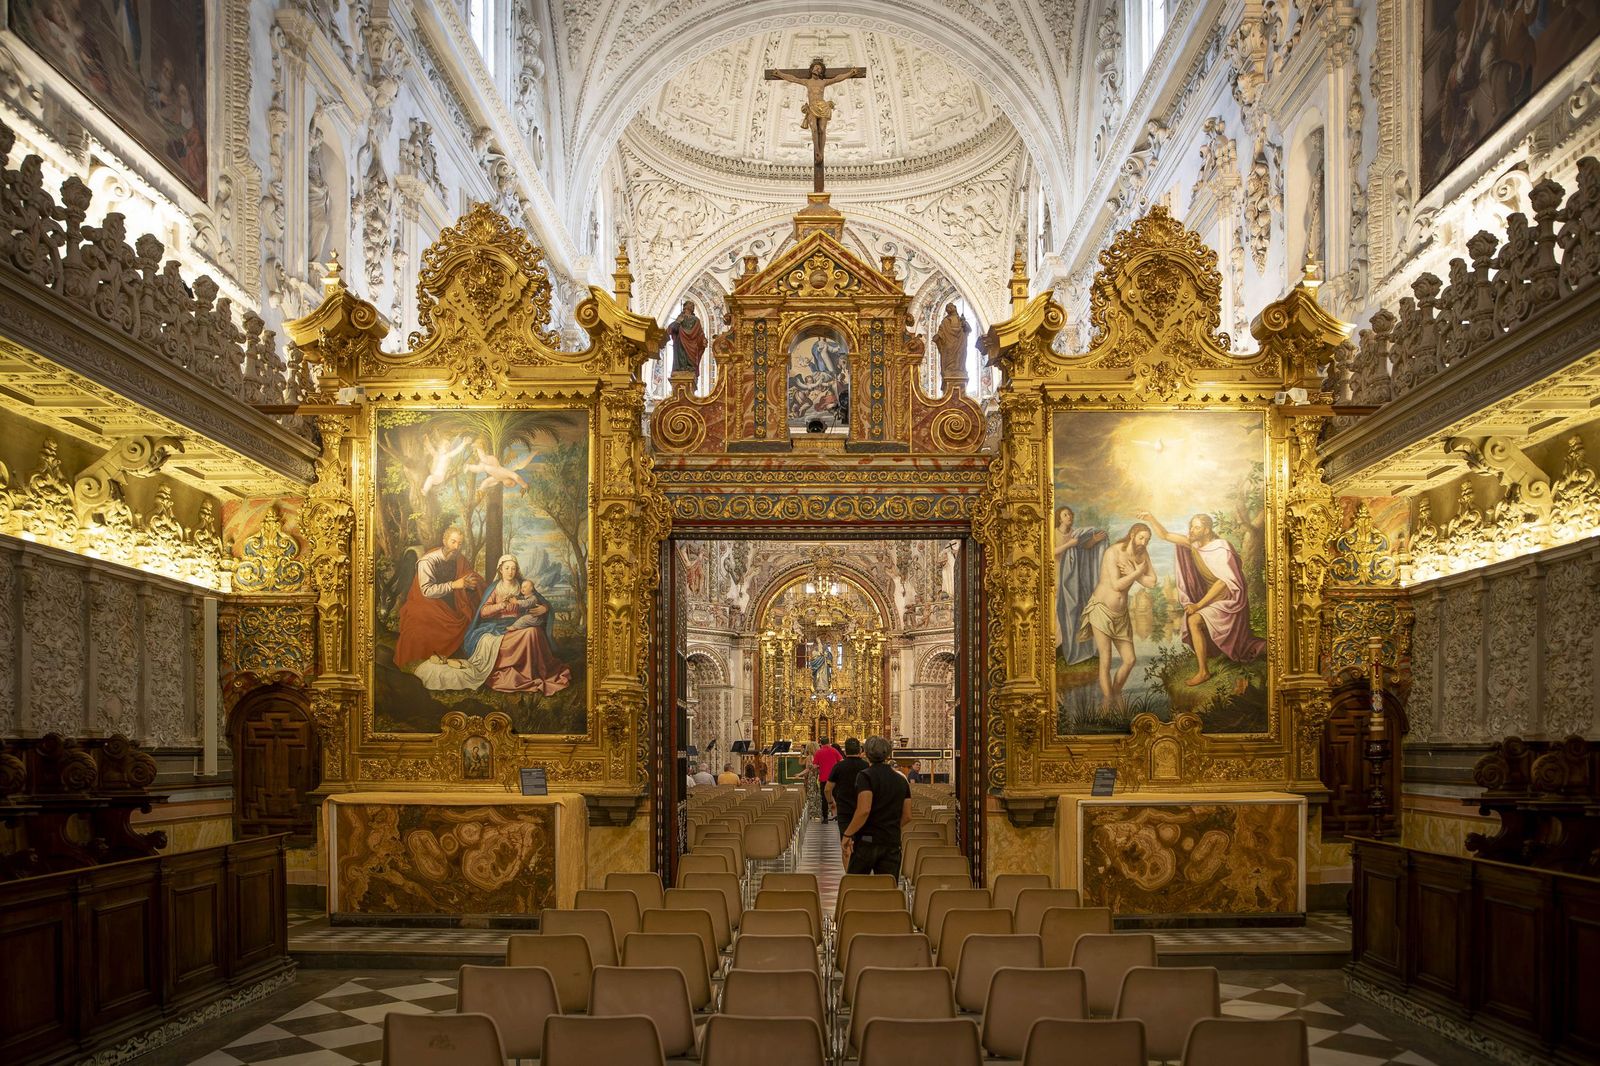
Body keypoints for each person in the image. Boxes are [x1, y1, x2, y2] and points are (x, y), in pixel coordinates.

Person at [1137, 511, 1267, 686]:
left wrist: (1198, 605)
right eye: (1191, 526)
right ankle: (1204, 669)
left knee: (1194, 620)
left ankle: (1203, 672)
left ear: (1206, 530)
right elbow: (1166, 535)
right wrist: (1151, 518)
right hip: (1214, 599)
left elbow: (1223, 582)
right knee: (1193, 620)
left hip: (1230, 599)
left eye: (1196, 527)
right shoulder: (1195, 545)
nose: (1191, 530)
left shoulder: (1221, 548)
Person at [1077, 523, 1157, 705]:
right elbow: (1117, 585)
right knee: (1105, 659)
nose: (1144, 542)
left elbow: (1152, 582)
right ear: (1132, 535)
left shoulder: (1142, 555)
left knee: (1130, 660)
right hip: (1101, 609)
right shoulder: (1113, 552)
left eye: (1147, 539)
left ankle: (1114, 694)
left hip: (1121, 615)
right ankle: (1108, 700)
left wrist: (1134, 574)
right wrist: (1137, 572)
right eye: (1141, 538)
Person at [394, 526, 482, 668]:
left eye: (460, 544)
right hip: (425, 602)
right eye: (453, 542)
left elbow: (468, 575)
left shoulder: (459, 559)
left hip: (451, 602)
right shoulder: (428, 561)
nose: (456, 547)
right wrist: (454, 585)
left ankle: (454, 654)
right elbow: (427, 591)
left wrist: (470, 583)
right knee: (419, 627)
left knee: (467, 617)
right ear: (444, 540)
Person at [840, 736, 912, 876]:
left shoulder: (865, 776)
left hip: (867, 841)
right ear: (888, 754)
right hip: (891, 841)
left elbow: (864, 810)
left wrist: (848, 834)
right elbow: (908, 815)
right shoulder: (901, 779)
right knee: (887, 888)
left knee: (856, 886)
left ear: (866, 753)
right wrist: (889, 827)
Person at [1053, 506, 1108, 665]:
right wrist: (1069, 544)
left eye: (1070, 514)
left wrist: (1094, 540)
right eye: (1065, 514)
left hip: (1073, 578)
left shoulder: (1075, 533)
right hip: (1056, 577)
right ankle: (1058, 648)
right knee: (1059, 613)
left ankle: (1077, 648)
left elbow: (1083, 547)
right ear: (1059, 518)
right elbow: (1050, 551)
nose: (1069, 516)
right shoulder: (1053, 533)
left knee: (1076, 610)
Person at [826, 738, 869, 838]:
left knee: (845, 839)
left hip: (844, 809)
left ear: (845, 751)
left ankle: (846, 853)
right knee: (862, 839)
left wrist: (831, 803)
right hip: (862, 807)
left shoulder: (838, 766)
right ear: (860, 750)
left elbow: (827, 789)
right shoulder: (867, 766)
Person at [812, 737, 842, 821]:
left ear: (821, 744)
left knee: (824, 798)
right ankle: (836, 815)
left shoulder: (818, 752)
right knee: (836, 796)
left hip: (823, 778)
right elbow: (841, 761)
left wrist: (820, 766)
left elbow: (814, 766)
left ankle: (825, 817)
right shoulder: (834, 751)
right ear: (829, 742)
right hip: (835, 778)